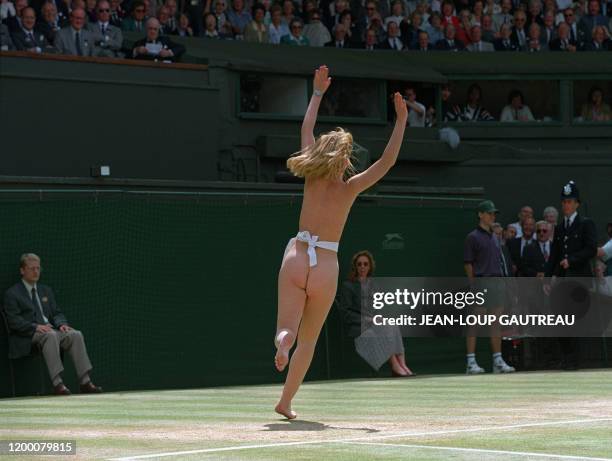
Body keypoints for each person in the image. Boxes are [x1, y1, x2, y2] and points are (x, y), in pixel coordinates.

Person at [273, 65, 407, 419]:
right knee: (310, 340)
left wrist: (317, 94)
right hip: (326, 264)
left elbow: (305, 128)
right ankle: (285, 402)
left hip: (297, 255)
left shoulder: (311, 176)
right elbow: (387, 161)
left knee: (287, 327)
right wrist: (401, 121)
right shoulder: (351, 187)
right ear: (343, 158)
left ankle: (281, 341)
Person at [3, 254, 102, 395]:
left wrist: (62, 324)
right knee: (50, 335)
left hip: (51, 331)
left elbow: (56, 313)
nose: (36, 272)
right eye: (32, 269)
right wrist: (35, 326)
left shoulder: (45, 290)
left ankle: (85, 382)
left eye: (38, 268)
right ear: (22, 271)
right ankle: (57, 384)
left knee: (75, 334)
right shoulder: (12, 293)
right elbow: (14, 321)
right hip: (27, 335)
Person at [545, 180, 597, 370]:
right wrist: (547, 277)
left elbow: (591, 249)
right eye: (564, 202)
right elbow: (555, 255)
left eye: (570, 201)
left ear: (577, 204)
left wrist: (572, 260)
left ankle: (574, 360)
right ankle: (567, 358)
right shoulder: (559, 228)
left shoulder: (586, 224)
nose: (566, 205)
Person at [338, 251, 415, 377]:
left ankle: (403, 364)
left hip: (374, 323)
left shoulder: (374, 285)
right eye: (359, 264)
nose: (362, 267)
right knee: (378, 331)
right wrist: (368, 320)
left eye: (365, 264)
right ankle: (395, 365)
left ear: (370, 267)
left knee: (392, 325)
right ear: (355, 267)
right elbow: (345, 313)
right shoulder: (348, 286)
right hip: (358, 327)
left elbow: (377, 310)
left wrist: (379, 318)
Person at [463, 200, 516, 374]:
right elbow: (468, 264)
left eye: (494, 213)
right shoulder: (472, 237)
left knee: (496, 323)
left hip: (496, 282)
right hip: (481, 282)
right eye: (489, 213)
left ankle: (497, 361)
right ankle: (471, 362)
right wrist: (473, 285)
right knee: (475, 322)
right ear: (480, 214)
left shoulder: (495, 237)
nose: (492, 216)